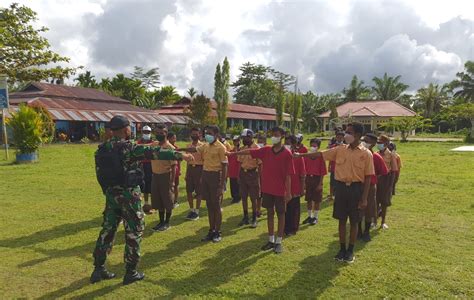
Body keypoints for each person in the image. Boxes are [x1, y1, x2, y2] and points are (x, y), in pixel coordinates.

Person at [92, 115, 191, 285]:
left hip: (111, 195)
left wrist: (108, 191)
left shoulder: (102, 149)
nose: (131, 129)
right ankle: (131, 272)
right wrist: (180, 155)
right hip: (130, 196)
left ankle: (98, 268)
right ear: (125, 129)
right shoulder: (129, 148)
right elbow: (155, 152)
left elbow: (99, 174)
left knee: (108, 230)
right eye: (130, 127)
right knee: (134, 232)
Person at [296, 123, 374, 263]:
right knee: (342, 220)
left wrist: (364, 198)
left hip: (357, 189)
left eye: (349, 132)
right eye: (346, 131)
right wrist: (301, 155)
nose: (346, 134)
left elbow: (368, 177)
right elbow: (320, 154)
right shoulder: (339, 149)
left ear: (357, 135)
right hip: (341, 189)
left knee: (354, 221)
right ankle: (342, 248)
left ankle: (350, 250)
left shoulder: (366, 154)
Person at [232, 127, 294, 254]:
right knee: (270, 213)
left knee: (281, 214)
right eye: (272, 135)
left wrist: (288, 192)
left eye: (276, 135)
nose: (274, 137)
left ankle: (279, 241)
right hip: (268, 189)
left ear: (282, 136)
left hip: (280, 190)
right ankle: (271, 239)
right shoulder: (266, 150)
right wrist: (234, 154)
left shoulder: (287, 153)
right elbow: (250, 151)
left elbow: (288, 175)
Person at [185, 125, 228, 242]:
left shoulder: (221, 147)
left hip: (216, 177)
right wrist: (179, 150)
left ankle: (217, 232)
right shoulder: (205, 146)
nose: (207, 135)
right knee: (209, 205)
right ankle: (211, 230)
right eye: (206, 133)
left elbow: (224, 167)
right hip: (206, 176)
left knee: (216, 206)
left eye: (210, 133)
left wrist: (221, 185)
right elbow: (194, 150)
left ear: (216, 134)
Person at [359, 133, 388, 242]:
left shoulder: (375, 157)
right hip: (357, 185)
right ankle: (358, 232)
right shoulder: (358, 154)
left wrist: (373, 179)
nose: (364, 142)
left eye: (367, 141)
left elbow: (383, 172)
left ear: (373, 144)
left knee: (369, 209)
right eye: (363, 139)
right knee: (357, 209)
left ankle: (366, 232)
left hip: (370, 186)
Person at [150, 125, 177, 232]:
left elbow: (174, 166)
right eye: (157, 133)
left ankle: (167, 222)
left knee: (167, 200)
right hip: (155, 175)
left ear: (166, 134)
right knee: (158, 199)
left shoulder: (170, 148)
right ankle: (161, 221)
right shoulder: (154, 145)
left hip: (166, 175)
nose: (159, 135)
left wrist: (172, 181)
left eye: (162, 133)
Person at [237, 129, 261, 228]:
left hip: (253, 173)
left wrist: (258, 177)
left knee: (253, 197)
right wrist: (239, 175)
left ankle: (254, 217)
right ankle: (245, 216)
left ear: (251, 137)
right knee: (243, 196)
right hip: (243, 173)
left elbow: (260, 164)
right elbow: (240, 162)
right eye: (243, 138)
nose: (244, 139)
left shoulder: (257, 148)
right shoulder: (242, 148)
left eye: (245, 137)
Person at [376, 135, 399, 230]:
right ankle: (374, 221)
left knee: (384, 202)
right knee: (375, 201)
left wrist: (391, 185)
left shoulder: (391, 155)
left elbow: (394, 170)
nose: (378, 144)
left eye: (380, 142)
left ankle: (383, 222)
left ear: (385, 144)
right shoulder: (376, 154)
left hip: (386, 179)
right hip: (377, 179)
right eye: (378, 142)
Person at [284, 135, 306, 236]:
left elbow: (302, 175)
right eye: (285, 143)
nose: (286, 145)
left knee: (294, 209)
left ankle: (293, 228)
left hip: (295, 187)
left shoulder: (298, 157)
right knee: (285, 209)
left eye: (288, 143)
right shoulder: (282, 156)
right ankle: (285, 227)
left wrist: (302, 188)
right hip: (284, 188)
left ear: (293, 144)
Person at [303, 138, 327, 225]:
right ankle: (310, 216)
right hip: (309, 178)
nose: (313, 147)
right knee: (308, 199)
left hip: (317, 179)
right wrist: (304, 182)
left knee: (317, 200)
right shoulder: (307, 156)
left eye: (315, 146)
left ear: (318, 147)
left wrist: (320, 183)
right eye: (312, 145)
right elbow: (304, 169)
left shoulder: (320, 157)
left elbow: (323, 172)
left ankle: (315, 217)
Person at [185, 127, 204, 221]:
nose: (194, 136)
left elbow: (205, 161)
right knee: (188, 190)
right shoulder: (188, 146)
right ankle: (191, 210)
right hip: (190, 169)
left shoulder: (203, 146)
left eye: (196, 134)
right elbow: (188, 161)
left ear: (199, 135)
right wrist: (186, 173)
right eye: (193, 134)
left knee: (199, 191)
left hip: (199, 169)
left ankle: (197, 211)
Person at [136, 125, 153, 214]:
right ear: (142, 133)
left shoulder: (153, 142)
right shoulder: (138, 143)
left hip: (151, 165)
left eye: (148, 132)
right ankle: (144, 204)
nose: (146, 134)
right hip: (141, 165)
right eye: (145, 132)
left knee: (151, 185)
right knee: (142, 185)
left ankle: (151, 205)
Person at [326, 131, 345, 201]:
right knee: (332, 182)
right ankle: (331, 195)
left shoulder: (345, 147)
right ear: (336, 137)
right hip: (334, 167)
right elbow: (331, 157)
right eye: (338, 137)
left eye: (341, 137)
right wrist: (329, 166)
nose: (339, 139)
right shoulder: (333, 147)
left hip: (342, 168)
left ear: (343, 138)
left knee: (341, 182)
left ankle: (339, 195)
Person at [168, 132, 181, 208]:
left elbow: (179, 160)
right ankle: (170, 200)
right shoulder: (166, 148)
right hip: (167, 170)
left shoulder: (176, 148)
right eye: (173, 138)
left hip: (175, 170)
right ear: (168, 139)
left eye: (175, 138)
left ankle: (175, 201)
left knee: (176, 185)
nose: (175, 140)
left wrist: (179, 170)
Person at [255, 133, 267, 216]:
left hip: (267, 176)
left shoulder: (269, 150)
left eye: (261, 142)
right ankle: (258, 210)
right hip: (258, 175)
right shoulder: (256, 151)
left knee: (268, 194)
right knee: (258, 194)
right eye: (258, 141)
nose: (259, 143)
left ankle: (271, 208)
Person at [228, 135, 241, 204]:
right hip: (232, 171)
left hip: (238, 171)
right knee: (232, 185)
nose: (235, 142)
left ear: (239, 141)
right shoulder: (231, 151)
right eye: (234, 141)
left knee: (238, 185)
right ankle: (234, 197)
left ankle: (238, 198)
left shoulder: (241, 150)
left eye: (236, 141)